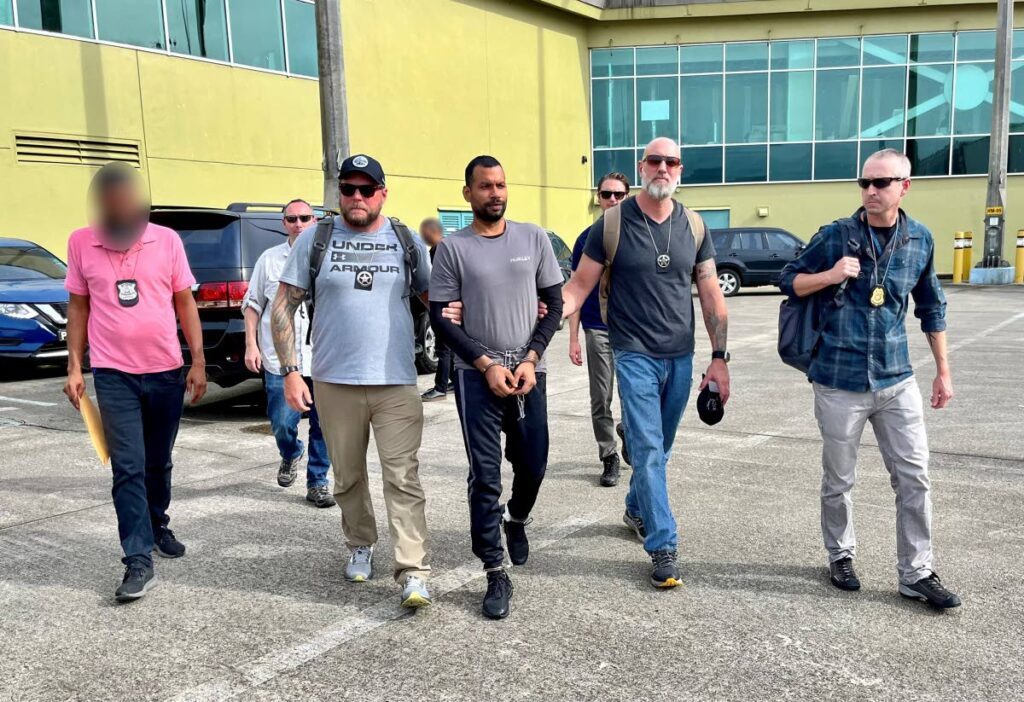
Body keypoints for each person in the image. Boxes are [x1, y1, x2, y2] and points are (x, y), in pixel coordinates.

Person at [778, 148, 961, 609]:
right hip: (839, 381)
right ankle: (840, 554)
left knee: (914, 477)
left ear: (905, 186)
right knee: (839, 478)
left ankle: (916, 571)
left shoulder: (919, 239)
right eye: (866, 183)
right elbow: (789, 280)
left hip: (897, 380)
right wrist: (830, 274)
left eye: (882, 183)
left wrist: (943, 370)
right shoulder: (837, 235)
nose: (872, 191)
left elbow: (931, 307)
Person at [561, 138, 731, 589]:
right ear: (643, 166)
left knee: (662, 447)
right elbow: (578, 286)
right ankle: (662, 545)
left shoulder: (694, 226)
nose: (662, 168)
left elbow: (711, 293)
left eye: (670, 161)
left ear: (680, 169)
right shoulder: (612, 224)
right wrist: (535, 319)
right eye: (654, 160)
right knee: (650, 449)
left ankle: (637, 507)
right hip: (632, 351)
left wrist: (719, 358)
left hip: (679, 354)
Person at [271, 154, 433, 609]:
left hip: (396, 380)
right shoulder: (315, 239)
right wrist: (289, 372)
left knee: (403, 477)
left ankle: (413, 570)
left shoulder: (405, 240)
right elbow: (283, 306)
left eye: (367, 189)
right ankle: (361, 544)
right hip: (333, 381)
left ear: (383, 192)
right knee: (348, 477)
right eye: (348, 189)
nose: (357, 197)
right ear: (339, 193)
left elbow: (437, 299)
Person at [63, 162, 207, 602]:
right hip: (113, 374)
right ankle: (137, 559)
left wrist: (197, 361)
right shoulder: (81, 242)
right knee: (126, 466)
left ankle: (158, 521)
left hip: (164, 370)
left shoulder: (166, 240)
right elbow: (79, 306)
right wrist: (74, 366)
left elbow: (185, 303)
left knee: (157, 462)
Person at [429, 155, 564, 620]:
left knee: (534, 464)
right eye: (485, 186)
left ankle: (517, 518)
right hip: (477, 378)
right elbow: (440, 318)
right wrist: (484, 363)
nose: (495, 193)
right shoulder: (453, 248)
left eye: (501, 184)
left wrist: (530, 358)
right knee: (485, 475)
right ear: (468, 193)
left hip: (528, 373)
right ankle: (494, 569)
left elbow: (554, 302)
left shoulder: (533, 238)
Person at [243, 199, 335, 508]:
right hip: (280, 360)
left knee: (325, 425)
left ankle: (318, 482)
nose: (298, 223)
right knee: (282, 421)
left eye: (304, 218)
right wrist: (251, 344)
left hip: (323, 359)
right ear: (284, 223)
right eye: (291, 219)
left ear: (314, 221)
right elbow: (253, 304)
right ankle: (291, 451)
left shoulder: (329, 259)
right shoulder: (269, 260)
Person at [569, 171, 631, 487]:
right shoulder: (586, 239)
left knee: (637, 394)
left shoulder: (638, 235)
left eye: (619, 195)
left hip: (633, 331)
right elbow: (576, 290)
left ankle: (630, 433)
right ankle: (609, 456)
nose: (612, 200)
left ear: (627, 197)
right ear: (598, 197)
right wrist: (573, 339)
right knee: (600, 397)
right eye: (607, 194)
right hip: (597, 329)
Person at [419, 217, 454, 402]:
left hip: (443, 306)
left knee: (444, 349)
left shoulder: (441, 249)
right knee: (448, 349)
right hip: (441, 304)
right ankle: (453, 381)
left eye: (425, 233)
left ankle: (440, 387)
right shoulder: (436, 249)